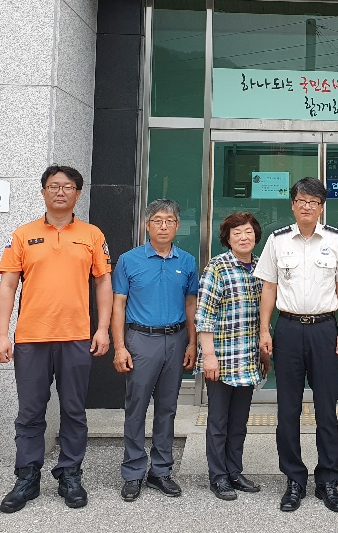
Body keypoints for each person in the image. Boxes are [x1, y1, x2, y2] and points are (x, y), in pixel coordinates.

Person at [0, 164, 112, 513]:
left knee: (74, 410)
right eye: (54, 186)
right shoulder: (22, 234)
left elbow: (103, 282)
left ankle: (70, 474)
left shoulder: (92, 234)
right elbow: (8, 286)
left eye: (68, 186)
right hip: (31, 338)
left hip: (75, 337)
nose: (61, 192)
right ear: (43, 191)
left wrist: (102, 328)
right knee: (30, 412)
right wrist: (2, 335)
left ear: (78, 193)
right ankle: (27, 477)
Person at [255, 177, 338, 513]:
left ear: (321, 207)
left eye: (314, 201)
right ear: (293, 204)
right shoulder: (278, 240)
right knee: (288, 409)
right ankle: (294, 479)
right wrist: (265, 330)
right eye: (302, 200)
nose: (307, 206)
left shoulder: (336, 240)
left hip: (325, 329)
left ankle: (328, 481)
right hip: (289, 329)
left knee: (327, 408)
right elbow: (269, 287)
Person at [111, 199, 198, 501]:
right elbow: (118, 305)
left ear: (177, 226)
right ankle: (133, 472)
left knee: (167, 408)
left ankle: (161, 471)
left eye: (169, 221)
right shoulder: (129, 260)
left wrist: (192, 342)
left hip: (175, 339)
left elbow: (190, 303)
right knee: (136, 407)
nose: (163, 226)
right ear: (147, 225)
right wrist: (119, 346)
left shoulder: (187, 261)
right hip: (141, 340)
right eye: (157, 220)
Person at [195, 212, 267, 501]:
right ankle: (218, 476)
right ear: (227, 238)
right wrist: (208, 355)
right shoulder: (217, 267)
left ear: (256, 235)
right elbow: (204, 314)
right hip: (222, 359)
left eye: (248, 232)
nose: (243, 237)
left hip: (248, 359)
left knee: (239, 421)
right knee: (218, 422)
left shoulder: (261, 267)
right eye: (236, 233)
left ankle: (234, 471)